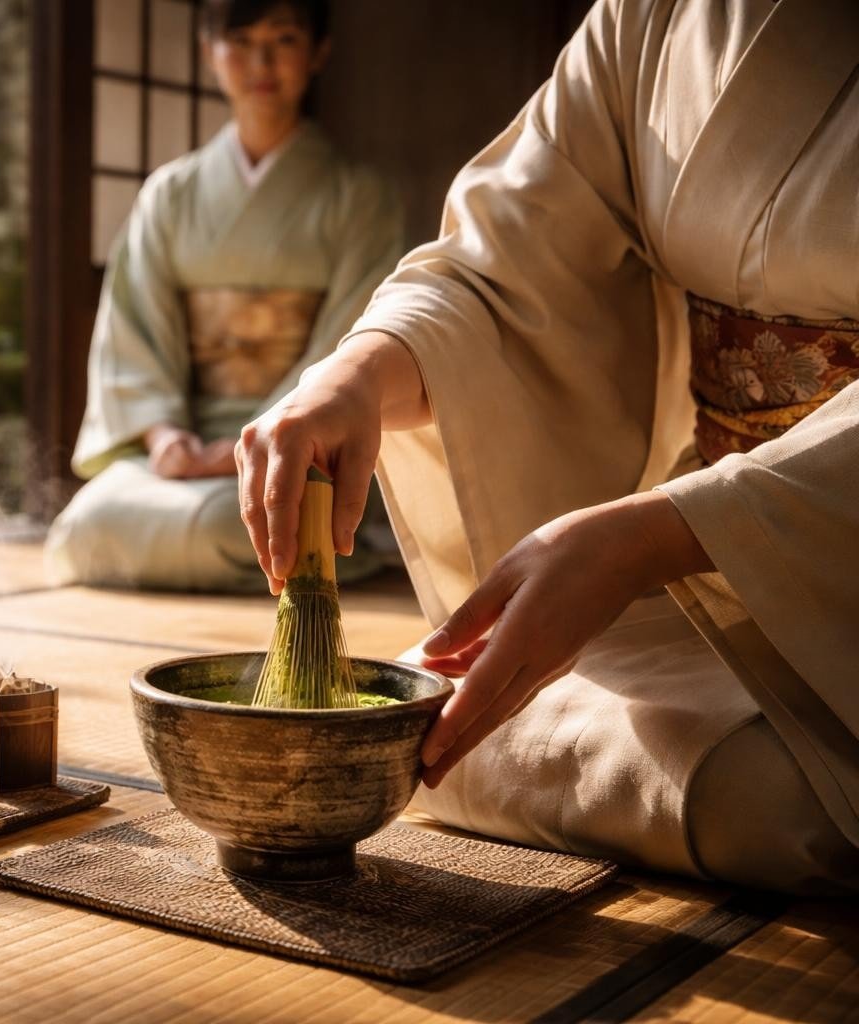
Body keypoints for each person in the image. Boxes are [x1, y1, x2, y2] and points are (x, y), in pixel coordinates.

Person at [236, 0, 859, 892]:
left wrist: (655, 536)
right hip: (696, 549)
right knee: (418, 723)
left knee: (767, 799)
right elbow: (502, 268)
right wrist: (365, 371)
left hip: (812, 553)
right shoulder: (650, 19)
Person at [44, 0, 402, 593]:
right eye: (239, 39)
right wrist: (164, 438)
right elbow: (134, 329)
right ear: (210, 52)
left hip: (300, 444)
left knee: (234, 516)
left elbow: (353, 345)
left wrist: (262, 435)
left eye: (283, 38)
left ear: (318, 53)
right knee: (87, 522)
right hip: (185, 451)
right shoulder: (170, 193)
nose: (261, 60)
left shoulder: (358, 196)